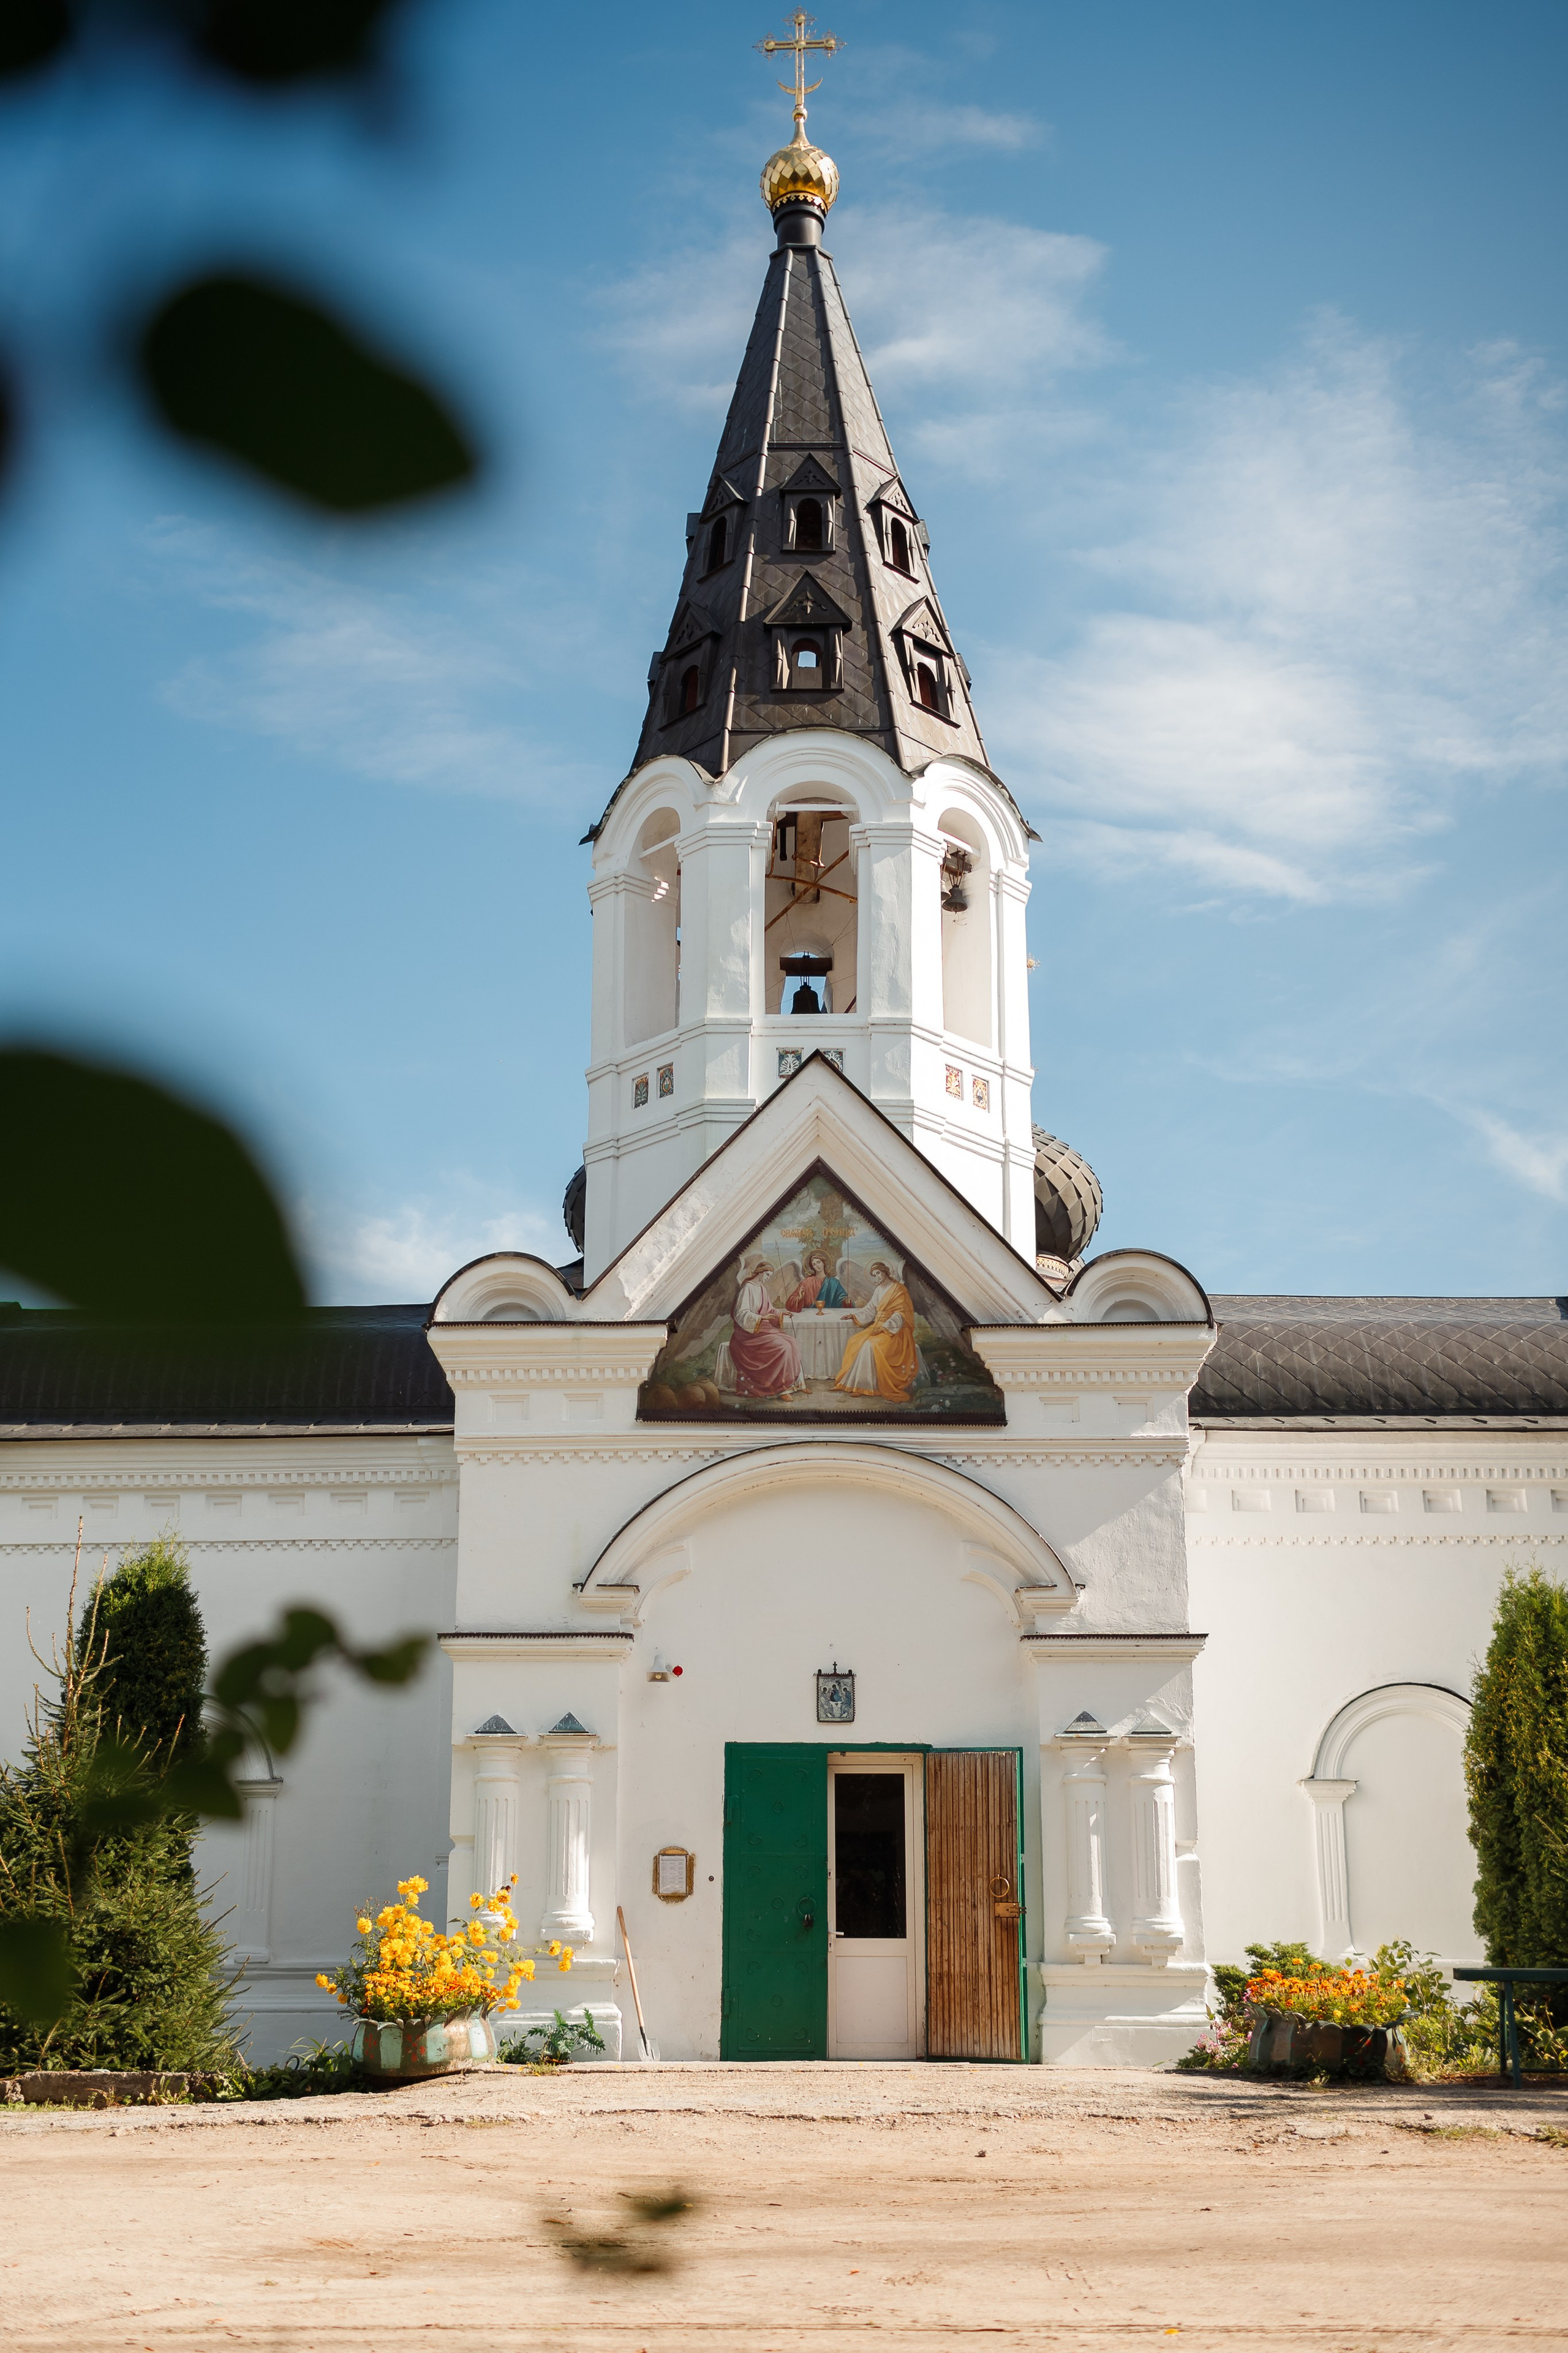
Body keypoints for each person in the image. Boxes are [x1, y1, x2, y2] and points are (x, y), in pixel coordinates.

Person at [717, 1256, 805, 1399]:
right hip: (747, 1335)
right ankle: (779, 1388)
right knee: (783, 1347)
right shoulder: (747, 1288)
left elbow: (769, 1310)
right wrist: (760, 1318)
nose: (768, 1278)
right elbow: (740, 1314)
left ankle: (792, 1384)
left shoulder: (762, 1289)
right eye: (767, 1275)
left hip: (762, 1330)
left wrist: (781, 1313)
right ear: (760, 1272)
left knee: (793, 1343)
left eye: (770, 1276)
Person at [835, 1260, 920, 1403]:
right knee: (854, 1341)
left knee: (869, 1345)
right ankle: (858, 1385)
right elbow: (871, 1309)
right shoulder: (879, 1290)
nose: (877, 1278)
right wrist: (855, 1315)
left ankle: (867, 1386)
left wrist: (885, 1327)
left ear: (885, 1271)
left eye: (878, 1273)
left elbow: (902, 1314)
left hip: (894, 1330)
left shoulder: (899, 1290)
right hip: (878, 1325)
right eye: (874, 1275)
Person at [783, 1250, 848, 1312]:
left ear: (824, 1263)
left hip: (829, 1315)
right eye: (814, 1264)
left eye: (819, 1262)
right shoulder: (806, 1283)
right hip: (809, 1316)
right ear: (813, 1267)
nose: (817, 1266)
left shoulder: (834, 1283)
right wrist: (799, 1298)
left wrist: (846, 1301)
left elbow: (842, 1298)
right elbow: (790, 1302)